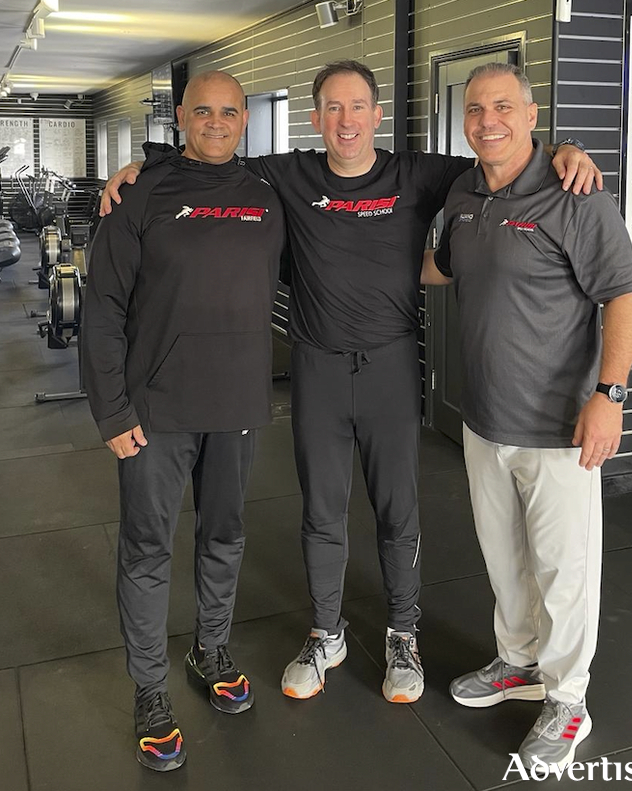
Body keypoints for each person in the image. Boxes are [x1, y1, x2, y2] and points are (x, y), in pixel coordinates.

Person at [101, 60, 601, 706]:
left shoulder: (417, 175)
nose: (346, 120)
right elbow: (209, 157)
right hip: (317, 365)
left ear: (376, 113)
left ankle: (403, 633)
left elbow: (500, 154)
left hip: (392, 365)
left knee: (398, 511)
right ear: (316, 118)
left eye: (357, 106)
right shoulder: (286, 174)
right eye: (333, 108)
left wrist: (564, 148)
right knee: (321, 512)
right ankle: (326, 630)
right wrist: (143, 169)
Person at [422, 62, 632, 770]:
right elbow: (443, 269)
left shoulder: (576, 195)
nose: (489, 120)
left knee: (564, 568)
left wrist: (608, 397)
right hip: (484, 420)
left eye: (504, 107)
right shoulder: (462, 193)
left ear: (532, 113)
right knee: (505, 558)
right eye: (477, 108)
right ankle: (518, 662)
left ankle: (567, 699)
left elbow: (623, 297)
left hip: (558, 427)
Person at [82, 71, 285, 772]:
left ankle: (211, 647)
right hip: (155, 412)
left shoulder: (266, 195)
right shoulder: (141, 193)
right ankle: (149, 689)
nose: (219, 121)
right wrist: (111, 407)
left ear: (245, 120)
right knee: (146, 550)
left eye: (231, 111)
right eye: (205, 111)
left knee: (224, 536)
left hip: (237, 409)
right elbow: (103, 306)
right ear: (181, 116)